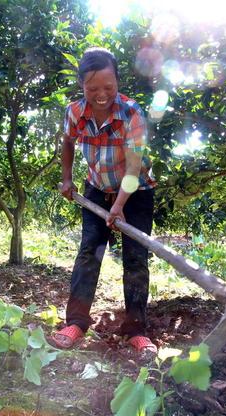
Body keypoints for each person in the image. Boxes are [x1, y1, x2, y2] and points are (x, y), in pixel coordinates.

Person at [52, 47, 157, 355]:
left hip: (135, 192)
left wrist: (121, 203)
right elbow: (68, 144)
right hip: (97, 188)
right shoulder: (74, 113)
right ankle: (76, 323)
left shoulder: (131, 113)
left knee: (136, 257)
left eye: (108, 87)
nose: (101, 94)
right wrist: (68, 179)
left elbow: (135, 167)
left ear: (118, 83)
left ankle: (136, 329)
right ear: (82, 86)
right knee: (89, 253)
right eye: (92, 88)